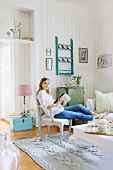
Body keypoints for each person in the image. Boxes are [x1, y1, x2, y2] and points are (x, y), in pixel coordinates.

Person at [37, 77, 109, 121]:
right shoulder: (41, 93)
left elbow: (52, 102)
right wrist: (55, 104)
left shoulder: (47, 93)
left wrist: (59, 101)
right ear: (41, 84)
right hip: (55, 113)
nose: (47, 85)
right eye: (45, 83)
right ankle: (98, 117)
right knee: (79, 115)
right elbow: (44, 106)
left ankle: (96, 114)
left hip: (59, 109)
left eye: (48, 83)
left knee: (79, 106)